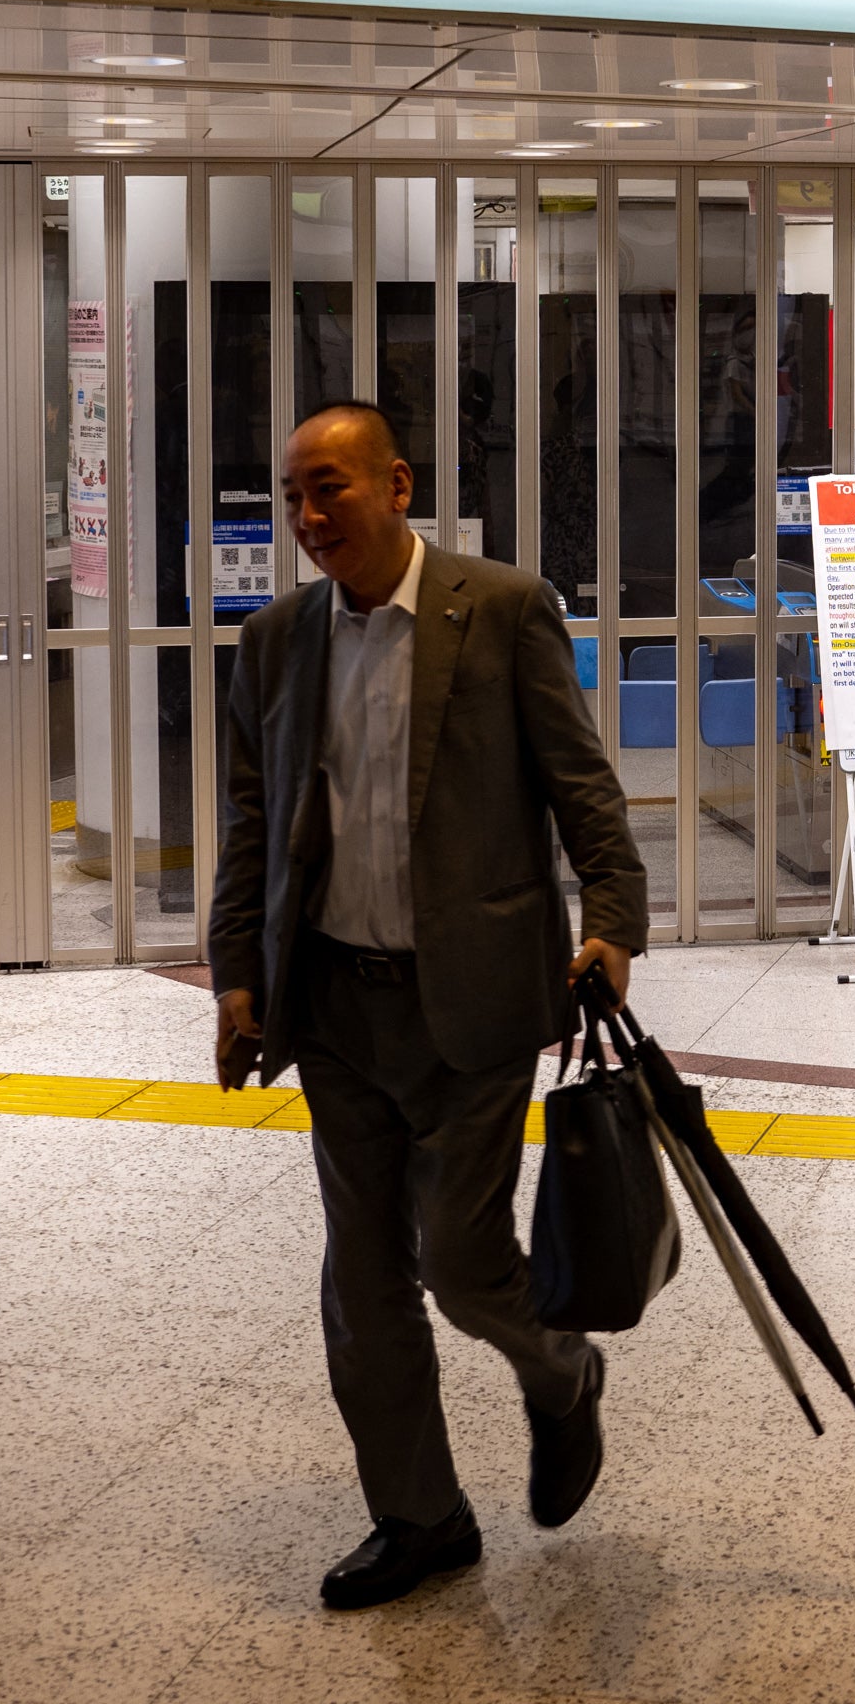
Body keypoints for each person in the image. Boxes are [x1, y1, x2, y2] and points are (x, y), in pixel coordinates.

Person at [212, 401, 649, 1610]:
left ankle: (561, 1374)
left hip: (477, 993)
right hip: (335, 1005)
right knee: (362, 1283)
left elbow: (582, 787)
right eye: (291, 494)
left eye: (330, 488)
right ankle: (420, 1514)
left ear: (396, 483)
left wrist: (612, 923)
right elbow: (254, 826)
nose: (307, 517)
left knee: (459, 1262)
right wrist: (237, 973)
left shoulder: (499, 608)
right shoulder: (276, 641)